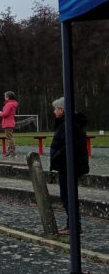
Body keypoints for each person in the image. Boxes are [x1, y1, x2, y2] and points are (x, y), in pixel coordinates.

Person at [50, 97, 90, 235]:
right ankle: (72, 224)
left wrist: (56, 156)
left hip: (69, 166)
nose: (54, 111)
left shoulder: (70, 124)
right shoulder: (68, 123)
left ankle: (74, 226)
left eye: (56, 109)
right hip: (67, 165)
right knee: (67, 196)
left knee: (68, 196)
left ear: (62, 110)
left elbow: (69, 146)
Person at [0, 91, 19, 157]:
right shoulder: (12, 104)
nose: (4, 98)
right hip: (10, 123)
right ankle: (10, 151)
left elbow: (5, 114)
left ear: (8, 97)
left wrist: (0, 113)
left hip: (8, 123)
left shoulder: (9, 104)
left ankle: (13, 152)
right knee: (9, 138)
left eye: (5, 96)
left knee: (10, 138)